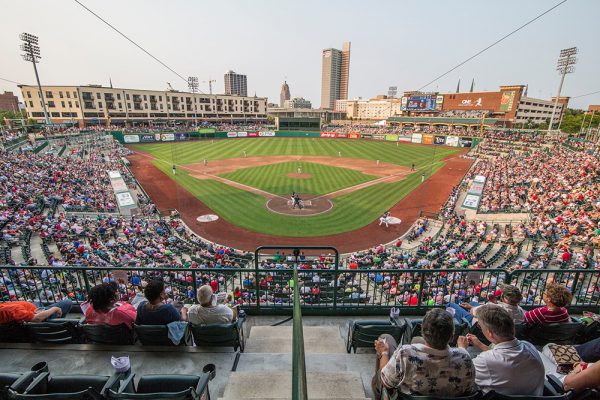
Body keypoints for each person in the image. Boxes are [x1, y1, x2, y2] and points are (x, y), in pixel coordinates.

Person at [372, 308, 476, 398]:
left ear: (423, 332)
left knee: (387, 339)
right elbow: (469, 390)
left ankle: (378, 395)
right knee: (415, 341)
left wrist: (384, 352)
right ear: (452, 337)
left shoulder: (405, 353)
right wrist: (462, 349)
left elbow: (385, 382)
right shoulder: (465, 358)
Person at [457, 304, 545, 396]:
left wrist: (462, 349)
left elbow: (460, 372)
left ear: (489, 333)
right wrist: (480, 345)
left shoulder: (485, 361)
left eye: (480, 326)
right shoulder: (529, 347)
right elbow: (500, 357)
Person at [447, 284, 525, 325]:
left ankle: (461, 328)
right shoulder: (521, 311)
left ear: (504, 297)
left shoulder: (496, 308)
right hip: (496, 325)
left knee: (450, 304)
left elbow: (473, 311)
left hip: (480, 324)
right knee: (471, 303)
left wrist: (471, 307)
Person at [0, 299, 73, 323]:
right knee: (68, 302)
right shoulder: (12, 309)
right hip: (40, 316)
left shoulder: (4, 307)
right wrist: (55, 309)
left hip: (33, 310)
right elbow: (36, 318)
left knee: (37, 302)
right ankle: (59, 321)